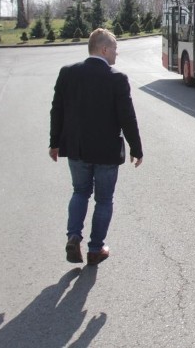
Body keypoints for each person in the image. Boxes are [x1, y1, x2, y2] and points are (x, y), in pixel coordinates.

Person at [49, 28, 143, 266]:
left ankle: (73, 236)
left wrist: (54, 143)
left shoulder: (67, 73)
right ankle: (95, 249)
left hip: (77, 149)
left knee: (80, 192)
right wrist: (136, 149)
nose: (117, 54)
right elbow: (127, 118)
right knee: (104, 200)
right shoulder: (117, 78)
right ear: (103, 49)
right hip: (106, 152)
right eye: (114, 49)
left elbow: (57, 110)